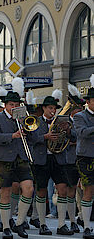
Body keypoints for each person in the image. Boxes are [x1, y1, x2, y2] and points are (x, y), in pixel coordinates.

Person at [0, 77, 34, 239]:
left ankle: (20, 222)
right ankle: (6, 226)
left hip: (21, 157)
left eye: (17, 105)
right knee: (5, 193)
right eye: (11, 105)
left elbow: (34, 137)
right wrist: (13, 135)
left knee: (29, 188)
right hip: (3, 159)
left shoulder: (23, 117)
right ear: (5, 106)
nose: (14, 108)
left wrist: (27, 127)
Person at [29, 90, 73, 236]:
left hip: (58, 158)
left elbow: (71, 138)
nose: (53, 111)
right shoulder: (36, 121)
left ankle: (61, 225)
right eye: (50, 108)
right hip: (42, 159)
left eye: (54, 108)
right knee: (41, 191)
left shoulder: (62, 121)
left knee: (63, 190)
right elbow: (32, 139)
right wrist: (45, 136)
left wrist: (66, 131)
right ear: (44, 108)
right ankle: (42, 224)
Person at [74, 74, 94, 239]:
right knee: (88, 190)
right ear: (88, 102)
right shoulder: (80, 116)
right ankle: (86, 226)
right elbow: (81, 133)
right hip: (86, 157)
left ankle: (83, 218)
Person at [66, 84, 85, 234]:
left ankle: (82, 216)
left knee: (85, 190)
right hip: (70, 159)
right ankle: (74, 219)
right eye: (78, 107)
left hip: (84, 158)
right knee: (72, 190)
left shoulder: (86, 119)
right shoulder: (66, 121)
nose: (80, 109)